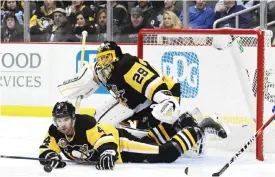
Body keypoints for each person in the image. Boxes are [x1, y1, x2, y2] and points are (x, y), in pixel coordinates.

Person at [58, 41, 227, 152]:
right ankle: (189, 124)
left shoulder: (127, 65)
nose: (104, 62)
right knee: (100, 126)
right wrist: (76, 88)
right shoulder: (99, 69)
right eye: (101, 58)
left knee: (153, 139)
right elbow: (85, 85)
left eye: (108, 57)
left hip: (158, 97)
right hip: (133, 103)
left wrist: (166, 100)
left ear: (116, 56)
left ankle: (193, 123)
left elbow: (152, 83)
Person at [39, 101, 205, 170]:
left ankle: (199, 129)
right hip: (118, 150)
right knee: (150, 141)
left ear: (73, 118)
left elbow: (103, 140)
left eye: (66, 119)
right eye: (59, 120)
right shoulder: (55, 131)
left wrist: (107, 152)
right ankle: (181, 122)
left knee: (166, 153)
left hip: (121, 145)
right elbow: (45, 149)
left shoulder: (85, 123)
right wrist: (51, 157)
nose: (62, 124)